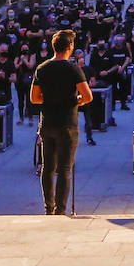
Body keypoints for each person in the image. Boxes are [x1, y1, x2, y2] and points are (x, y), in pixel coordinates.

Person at [31, 29, 92, 216]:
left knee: (48, 168)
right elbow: (87, 96)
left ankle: (48, 208)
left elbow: (34, 98)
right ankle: (61, 210)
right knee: (65, 168)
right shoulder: (73, 68)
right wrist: (75, 100)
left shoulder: (41, 68)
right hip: (67, 124)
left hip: (47, 123)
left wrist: (50, 98)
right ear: (70, 47)